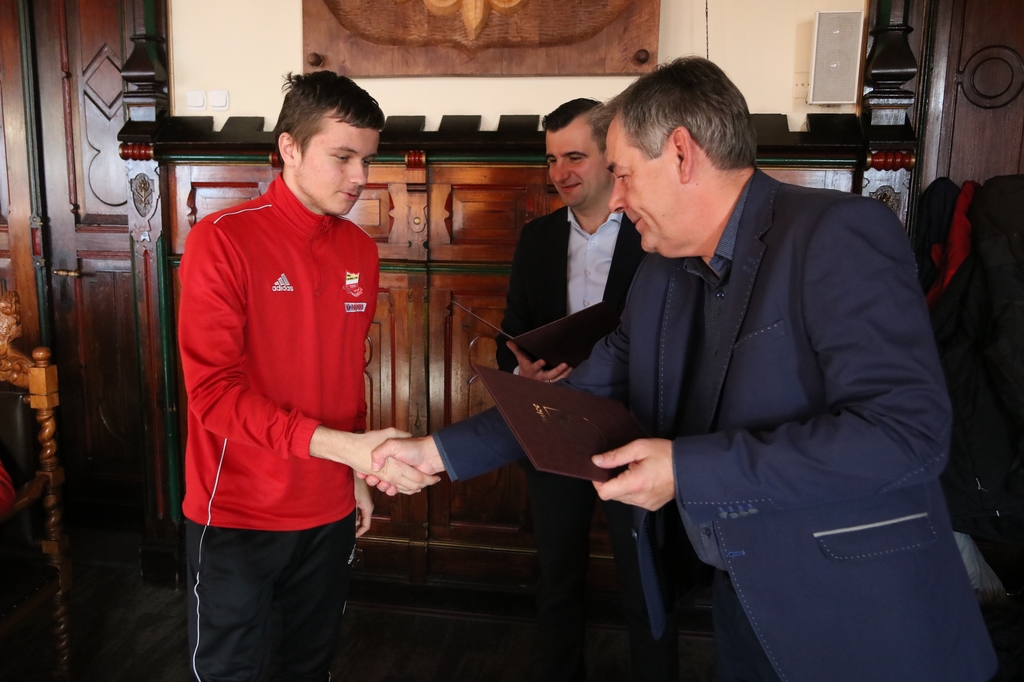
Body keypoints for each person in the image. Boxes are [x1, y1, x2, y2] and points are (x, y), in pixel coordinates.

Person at [367, 57, 999, 682]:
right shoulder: (660, 274)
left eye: (622, 173)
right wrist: (435, 453)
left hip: (862, 614)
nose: (616, 199)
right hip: (741, 601)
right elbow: (572, 397)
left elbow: (907, 435)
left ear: (680, 153)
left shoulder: (836, 233)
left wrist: (686, 470)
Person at [178, 71, 436, 682]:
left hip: (327, 506)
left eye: (367, 160)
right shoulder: (222, 239)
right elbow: (212, 395)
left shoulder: (359, 250)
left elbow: (344, 374)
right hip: (238, 510)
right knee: (232, 672)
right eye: (342, 157)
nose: (360, 177)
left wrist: (353, 475)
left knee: (308, 666)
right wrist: (349, 450)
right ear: (289, 148)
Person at [498, 98, 676, 682]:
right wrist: (522, 374)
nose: (560, 173)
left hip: (636, 429)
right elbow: (511, 335)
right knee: (557, 578)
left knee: (645, 581)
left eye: (574, 157)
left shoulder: (654, 232)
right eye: (551, 160)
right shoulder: (537, 238)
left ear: (611, 157)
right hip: (554, 428)